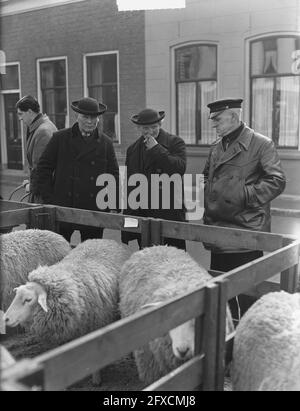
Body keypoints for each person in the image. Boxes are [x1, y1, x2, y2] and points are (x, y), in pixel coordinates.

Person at [203, 98, 286, 317]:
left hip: (246, 233)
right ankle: (226, 344)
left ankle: (248, 342)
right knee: (223, 298)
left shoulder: (261, 144)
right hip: (219, 231)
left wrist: (244, 194)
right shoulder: (215, 147)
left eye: (218, 119)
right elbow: (207, 176)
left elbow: (276, 181)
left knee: (249, 297)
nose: (214, 124)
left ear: (233, 116)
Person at [37, 97, 120, 242]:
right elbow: (43, 168)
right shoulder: (60, 138)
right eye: (85, 117)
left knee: (91, 256)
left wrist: (113, 204)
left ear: (98, 119)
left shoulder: (106, 142)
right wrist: (49, 199)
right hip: (63, 207)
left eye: (93, 117)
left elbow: (113, 175)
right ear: (77, 117)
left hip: (93, 209)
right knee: (59, 253)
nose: (89, 121)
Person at [121, 108, 187, 250]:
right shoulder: (132, 149)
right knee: (147, 262)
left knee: (173, 263)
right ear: (138, 128)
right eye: (145, 128)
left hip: (169, 215)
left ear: (160, 125)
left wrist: (156, 148)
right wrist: (129, 221)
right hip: (143, 216)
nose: (150, 131)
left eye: (154, 127)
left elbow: (179, 168)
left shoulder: (175, 143)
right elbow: (130, 186)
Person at [16, 95, 57, 203]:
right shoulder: (40, 127)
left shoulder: (43, 132)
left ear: (29, 112)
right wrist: (30, 181)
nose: (20, 118)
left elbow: (41, 168)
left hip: (43, 194)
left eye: (21, 114)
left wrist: (32, 186)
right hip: (41, 189)